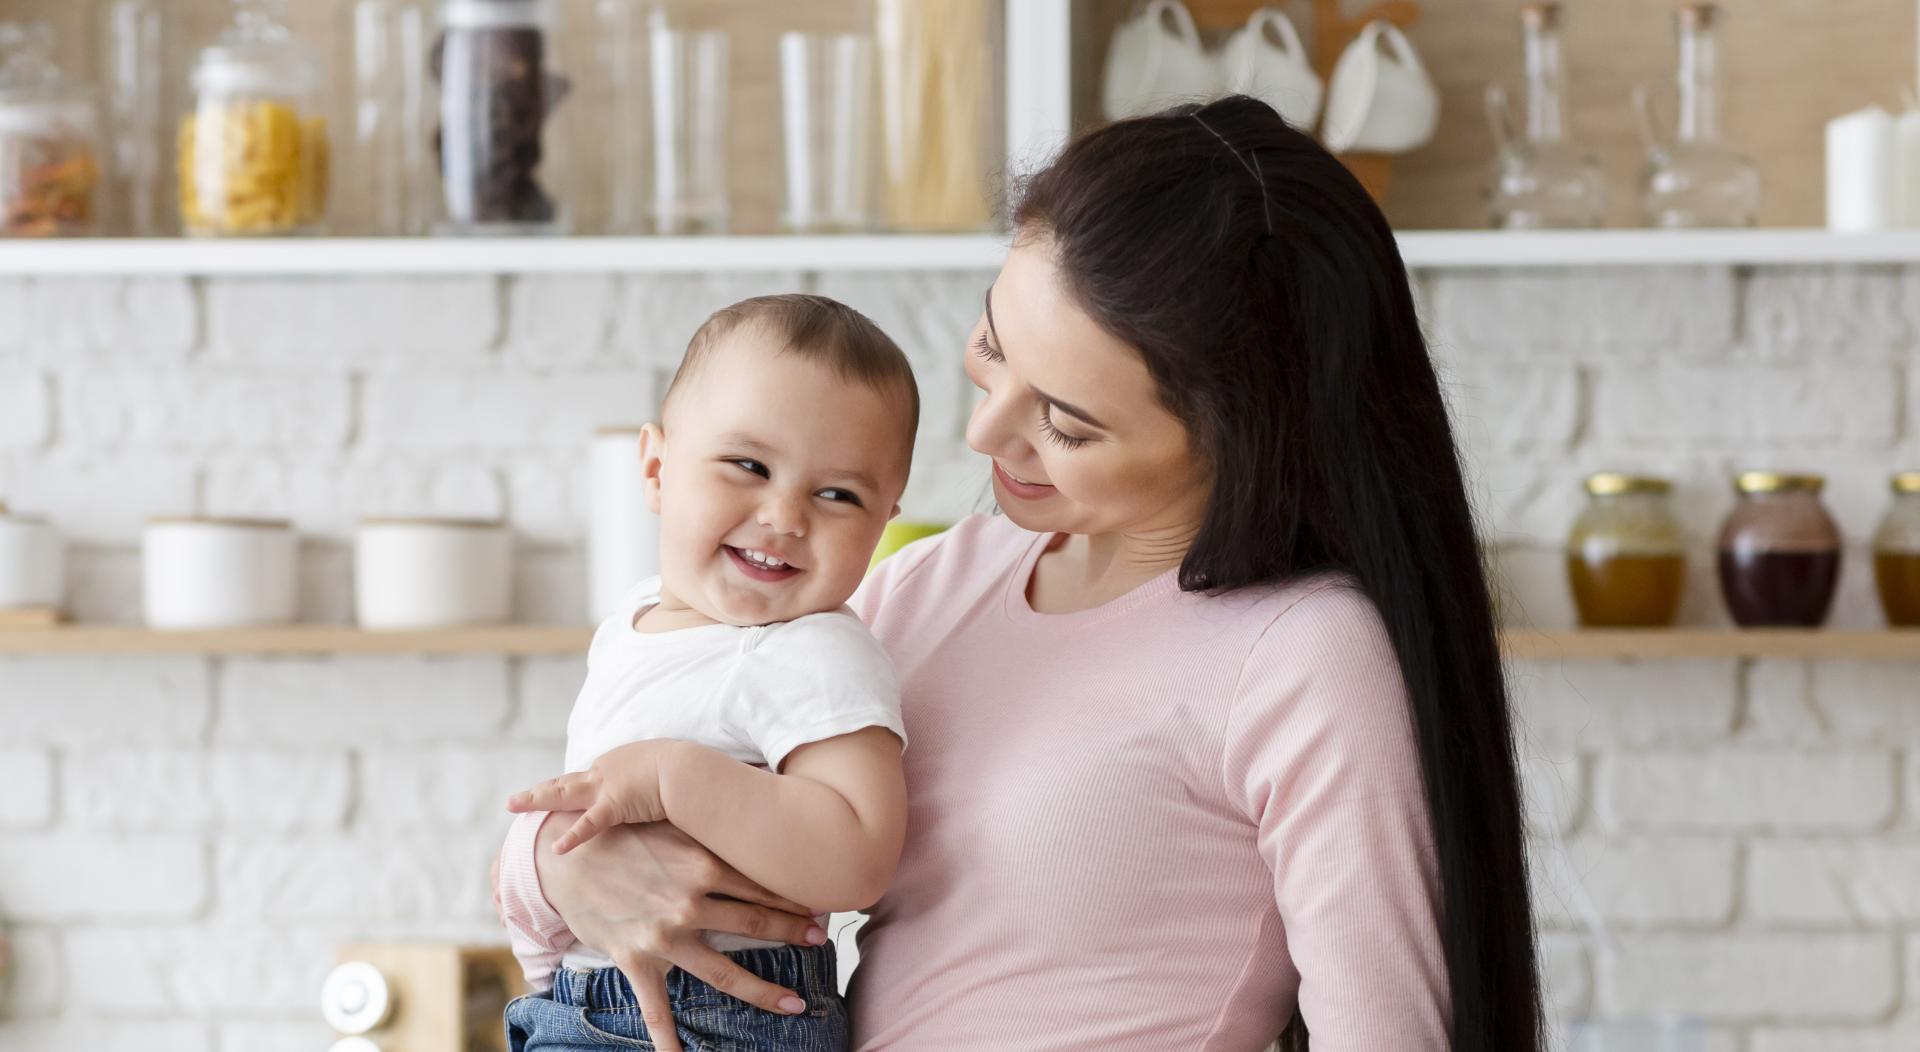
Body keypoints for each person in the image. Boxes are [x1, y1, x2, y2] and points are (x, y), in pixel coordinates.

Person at [518, 96, 1543, 1051]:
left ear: (1244, 436)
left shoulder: (1302, 655)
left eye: (1066, 423)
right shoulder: (933, 584)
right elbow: (669, 791)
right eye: (994, 350)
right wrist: (563, 869)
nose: (983, 433)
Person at [495, 294, 918, 1052]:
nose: (786, 516)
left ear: (883, 519)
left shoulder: (813, 648)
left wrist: (675, 778)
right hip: (591, 998)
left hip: (720, 1019)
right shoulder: (631, 623)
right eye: (749, 466)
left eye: (838, 494)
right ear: (657, 469)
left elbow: (859, 855)